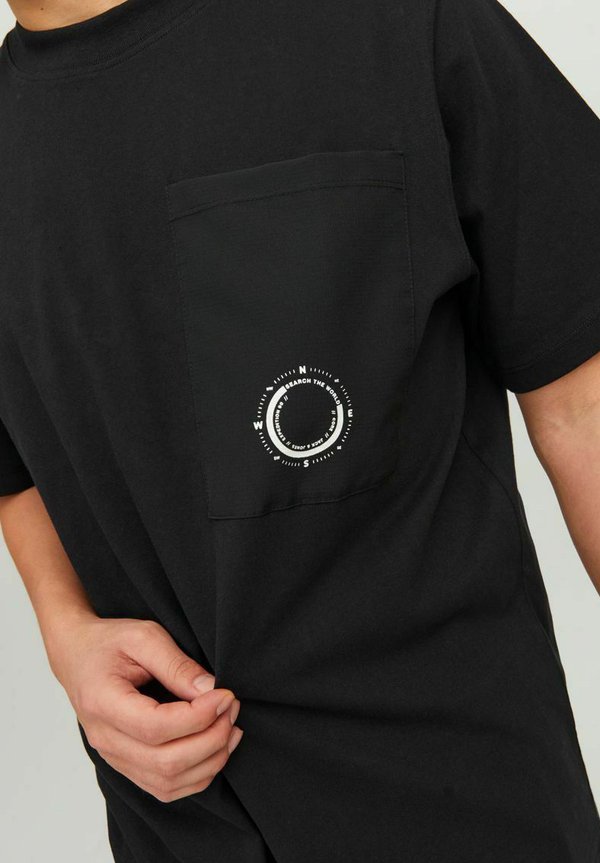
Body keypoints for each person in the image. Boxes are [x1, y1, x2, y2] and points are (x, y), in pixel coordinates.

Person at [1, 0, 600, 859]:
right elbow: (16, 464)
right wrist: (67, 633)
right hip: (175, 828)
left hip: (466, 812)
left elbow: (584, 401)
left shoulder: (387, 23)